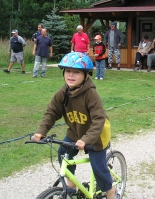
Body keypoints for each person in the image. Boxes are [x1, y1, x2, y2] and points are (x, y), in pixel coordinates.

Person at [33, 52, 116, 199]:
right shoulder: (63, 92)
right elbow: (51, 112)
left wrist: (87, 139)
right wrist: (41, 131)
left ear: (86, 75)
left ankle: (110, 192)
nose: (71, 75)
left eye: (76, 72)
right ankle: (71, 184)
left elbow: (98, 119)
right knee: (62, 153)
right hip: (75, 131)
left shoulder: (91, 94)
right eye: (68, 71)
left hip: (96, 136)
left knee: (98, 167)